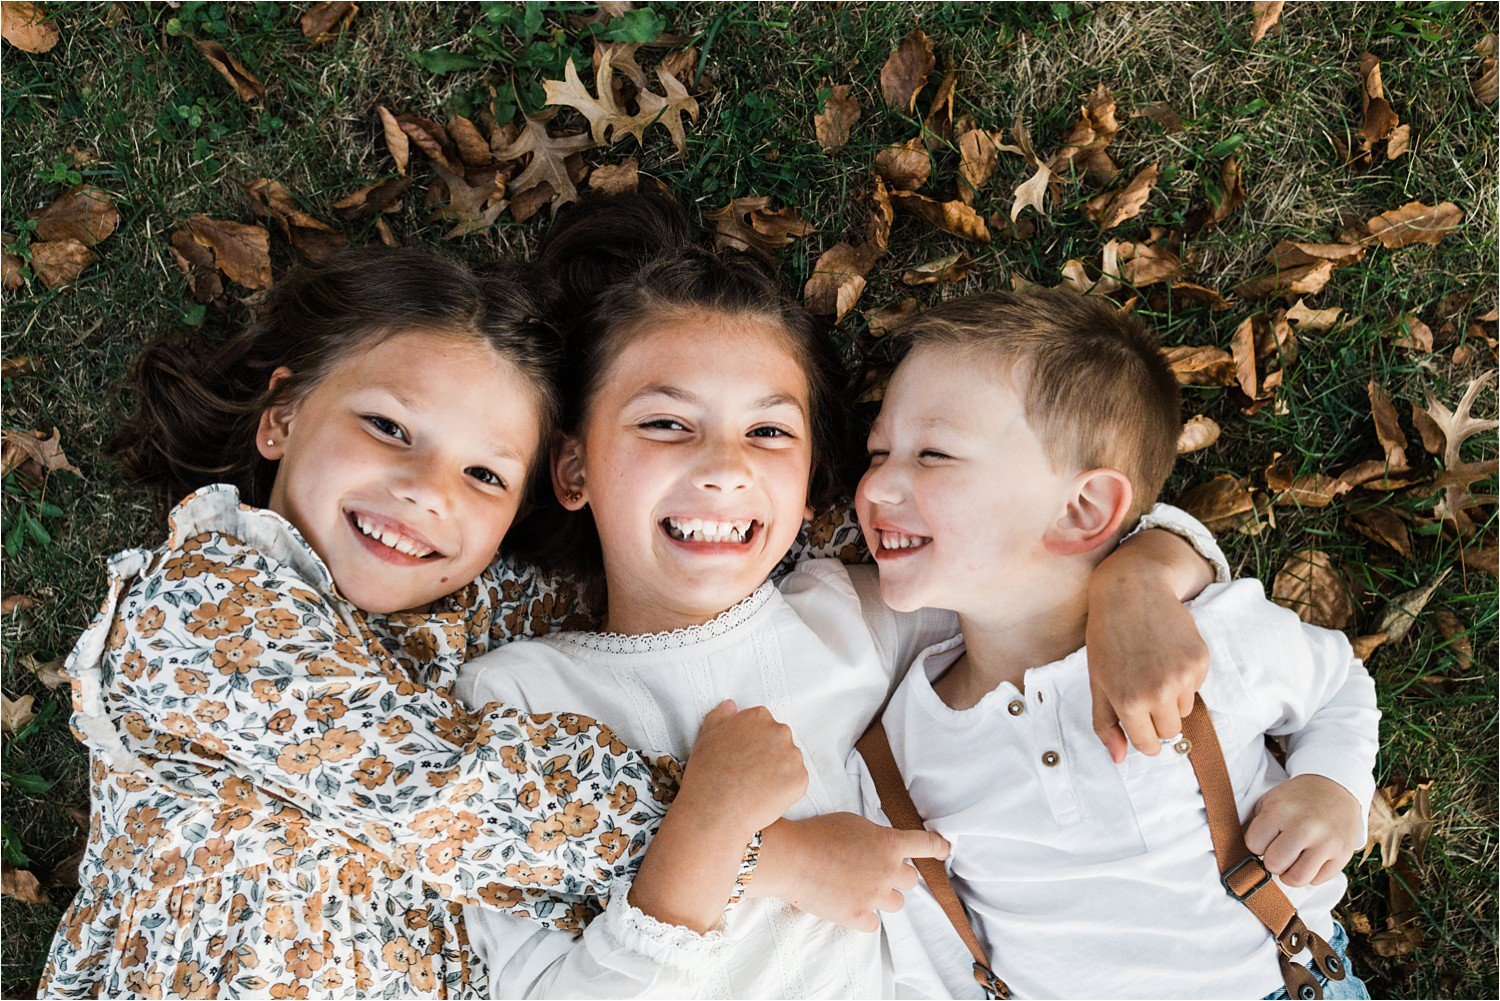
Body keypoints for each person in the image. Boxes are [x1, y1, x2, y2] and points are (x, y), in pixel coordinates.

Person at [455, 193, 1232, 999]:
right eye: (664, 424)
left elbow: (1039, 549)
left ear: (807, 482)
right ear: (574, 468)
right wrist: (716, 831)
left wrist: (1140, 582)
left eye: (769, 432)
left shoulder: (857, 618)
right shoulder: (517, 694)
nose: (725, 466)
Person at [38, 248, 817, 999]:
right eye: (388, 427)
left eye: (484, 474)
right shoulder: (203, 604)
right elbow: (445, 787)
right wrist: (746, 843)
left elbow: (679, 561)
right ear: (281, 416)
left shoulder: (483, 612)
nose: (425, 491)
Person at [854, 290, 1378, 999]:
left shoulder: (1201, 635)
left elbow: (1337, 681)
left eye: (934, 454)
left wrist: (1333, 787)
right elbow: (935, 951)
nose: (879, 482)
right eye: (879, 450)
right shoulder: (899, 742)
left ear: (1082, 509)